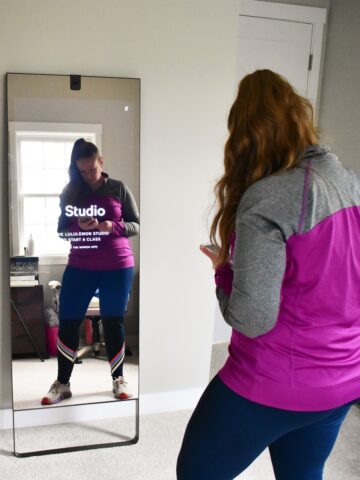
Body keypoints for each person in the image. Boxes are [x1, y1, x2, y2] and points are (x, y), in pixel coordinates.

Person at [177, 70, 360, 479]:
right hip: (343, 381)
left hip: (271, 383)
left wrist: (223, 271)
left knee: (196, 473)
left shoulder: (270, 196)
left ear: (245, 134)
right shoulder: (350, 182)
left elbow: (252, 318)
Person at [41, 138, 139, 405]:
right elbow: (62, 230)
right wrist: (79, 229)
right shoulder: (70, 192)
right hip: (80, 265)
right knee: (69, 321)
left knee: (113, 321)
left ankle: (118, 378)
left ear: (101, 162)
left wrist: (112, 226)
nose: (87, 176)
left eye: (92, 170)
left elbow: (136, 224)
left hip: (117, 265)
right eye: (81, 171)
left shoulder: (118, 188)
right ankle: (63, 383)